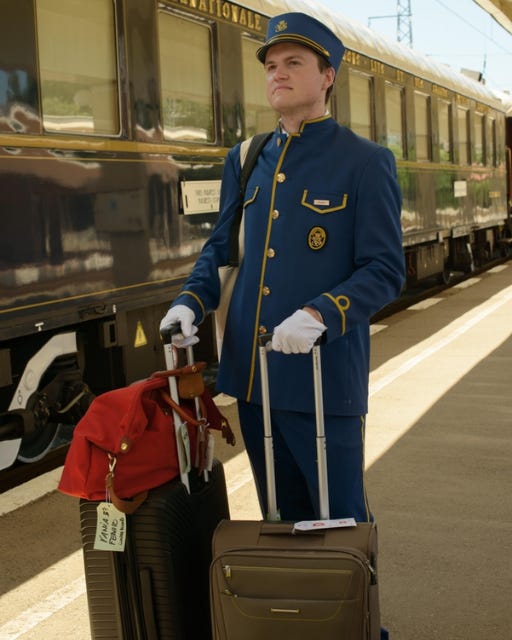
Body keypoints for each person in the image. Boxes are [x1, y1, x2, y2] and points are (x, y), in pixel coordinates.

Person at [161, 12, 403, 627]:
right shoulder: (246, 158)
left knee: (341, 524)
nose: (278, 74)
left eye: (294, 63)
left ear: (328, 76)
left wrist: (324, 313)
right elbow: (222, 250)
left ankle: (361, 628)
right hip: (256, 378)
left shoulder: (365, 162)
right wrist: (191, 300)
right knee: (280, 522)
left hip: (323, 380)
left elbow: (384, 269)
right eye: (271, 65)